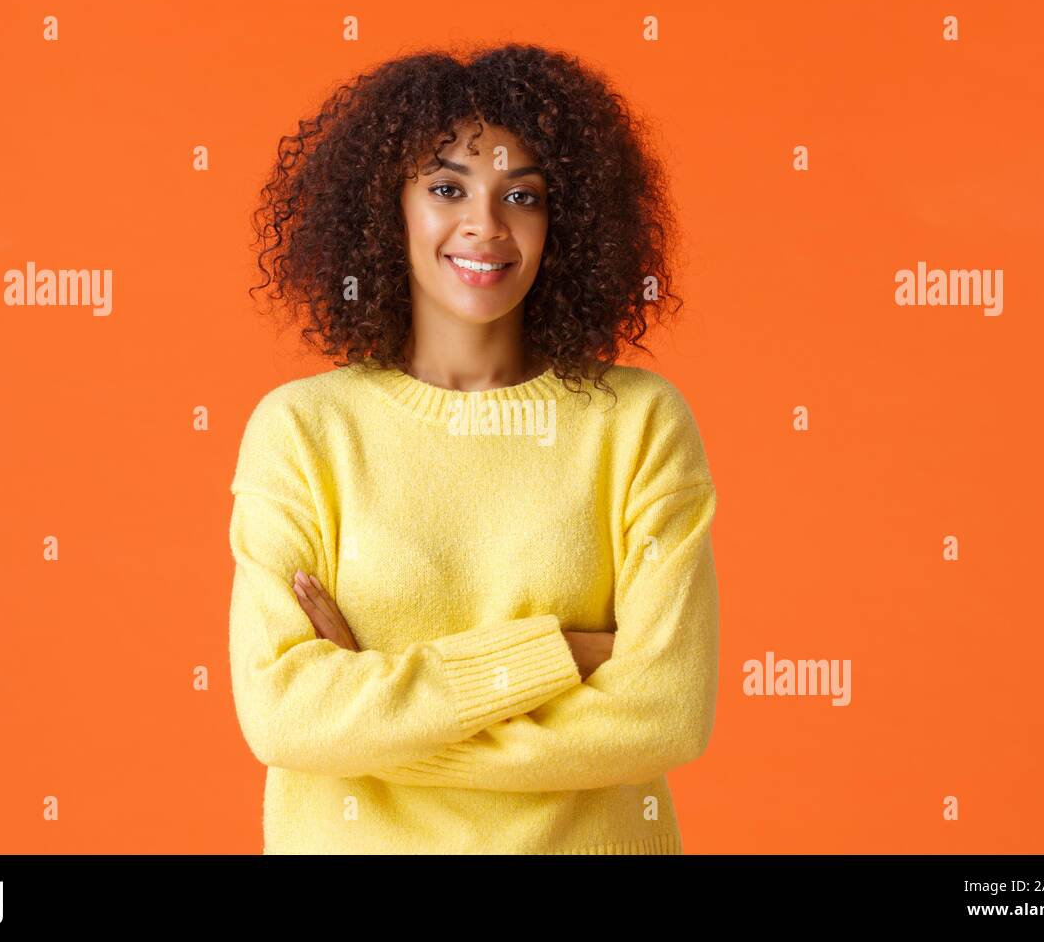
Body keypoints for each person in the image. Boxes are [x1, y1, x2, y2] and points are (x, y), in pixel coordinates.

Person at [229, 42, 719, 854]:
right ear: (387, 207)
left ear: (567, 221)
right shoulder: (304, 432)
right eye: (447, 186)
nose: (484, 227)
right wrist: (553, 654)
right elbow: (286, 717)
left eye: (521, 194)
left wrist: (378, 730)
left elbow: (666, 712)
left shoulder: (638, 425)